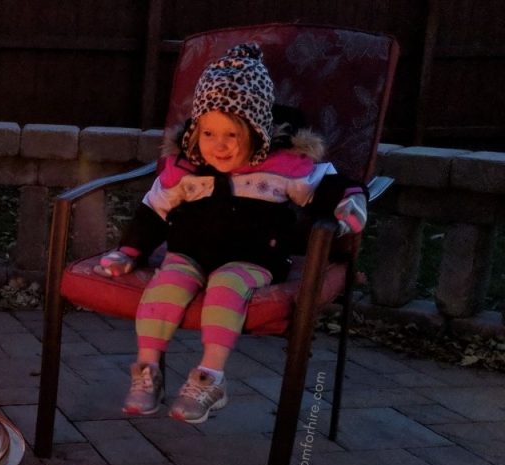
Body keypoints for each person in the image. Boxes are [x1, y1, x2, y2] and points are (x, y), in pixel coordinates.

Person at [94, 43, 368, 422]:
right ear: (196, 131)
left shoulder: (283, 168)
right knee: (165, 285)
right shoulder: (187, 169)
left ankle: (211, 378)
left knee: (225, 287)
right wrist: (130, 251)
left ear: (256, 132)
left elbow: (329, 185)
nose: (217, 146)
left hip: (254, 258)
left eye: (231, 135)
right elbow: (153, 210)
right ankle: (147, 370)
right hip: (190, 254)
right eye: (208, 133)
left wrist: (349, 203)